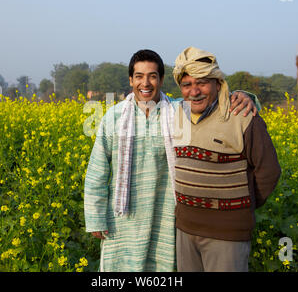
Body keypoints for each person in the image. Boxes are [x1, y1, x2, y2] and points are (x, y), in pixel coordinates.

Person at [83, 49, 259, 271]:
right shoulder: (113, 117)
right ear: (130, 80)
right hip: (122, 221)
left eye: (152, 76)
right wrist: (95, 218)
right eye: (139, 76)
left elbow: (216, 105)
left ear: (162, 80)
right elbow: (97, 171)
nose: (145, 83)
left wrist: (244, 97)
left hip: (164, 218)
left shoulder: (180, 112)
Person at [172, 46, 281, 272]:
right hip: (185, 230)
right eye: (187, 85)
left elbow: (269, 171)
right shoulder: (177, 115)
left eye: (202, 82)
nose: (194, 91)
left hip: (227, 235)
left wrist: (240, 207)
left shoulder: (242, 116)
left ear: (218, 84)